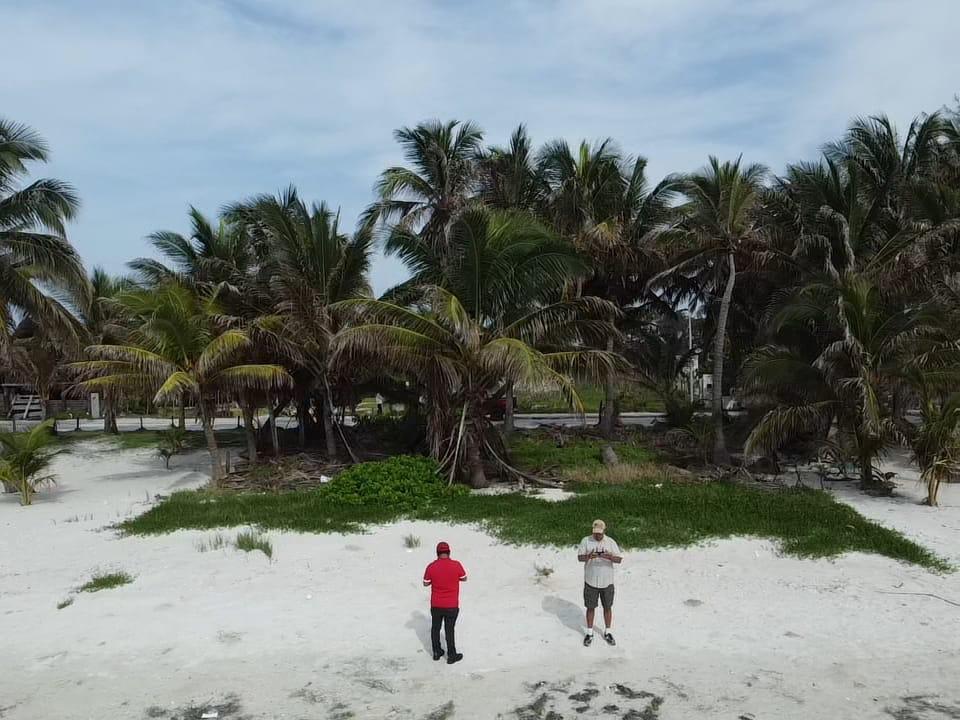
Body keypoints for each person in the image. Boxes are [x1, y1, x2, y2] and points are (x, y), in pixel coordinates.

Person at [577, 519, 623, 646]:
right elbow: (580, 557)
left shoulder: (610, 542)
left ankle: (608, 632)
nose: (597, 535)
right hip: (590, 581)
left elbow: (619, 559)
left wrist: (609, 557)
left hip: (607, 581)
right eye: (595, 533)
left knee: (607, 607)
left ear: (604, 531)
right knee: (590, 607)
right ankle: (589, 633)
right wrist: (588, 557)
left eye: (599, 533)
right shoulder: (586, 541)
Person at [423, 541, 467, 664]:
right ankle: (452, 655)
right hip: (452, 605)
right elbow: (464, 578)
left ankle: (436, 652)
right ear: (449, 552)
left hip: (436, 604)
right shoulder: (456, 565)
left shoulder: (431, 566)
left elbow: (425, 583)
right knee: (449, 629)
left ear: (437, 553)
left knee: (435, 628)